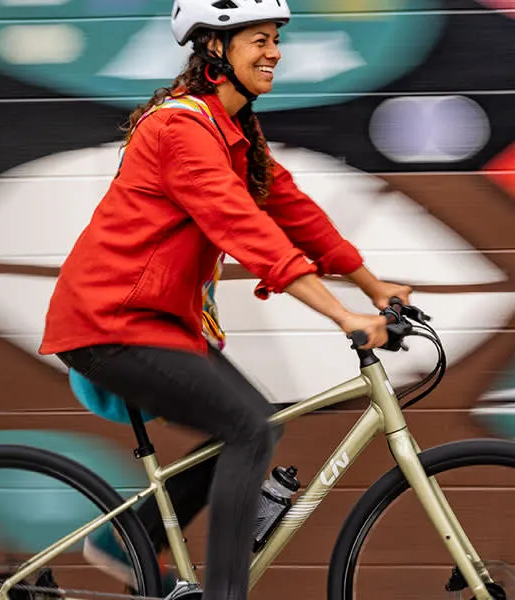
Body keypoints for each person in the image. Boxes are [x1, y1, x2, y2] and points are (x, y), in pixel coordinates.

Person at [37, 1, 413, 598]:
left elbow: (292, 212)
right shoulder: (178, 130)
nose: (274, 52)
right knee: (249, 428)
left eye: (275, 39)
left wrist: (371, 286)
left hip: (157, 324)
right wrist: (343, 315)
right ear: (216, 49)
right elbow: (243, 226)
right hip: (111, 321)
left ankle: (120, 543)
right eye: (258, 40)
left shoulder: (234, 131)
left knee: (249, 422)